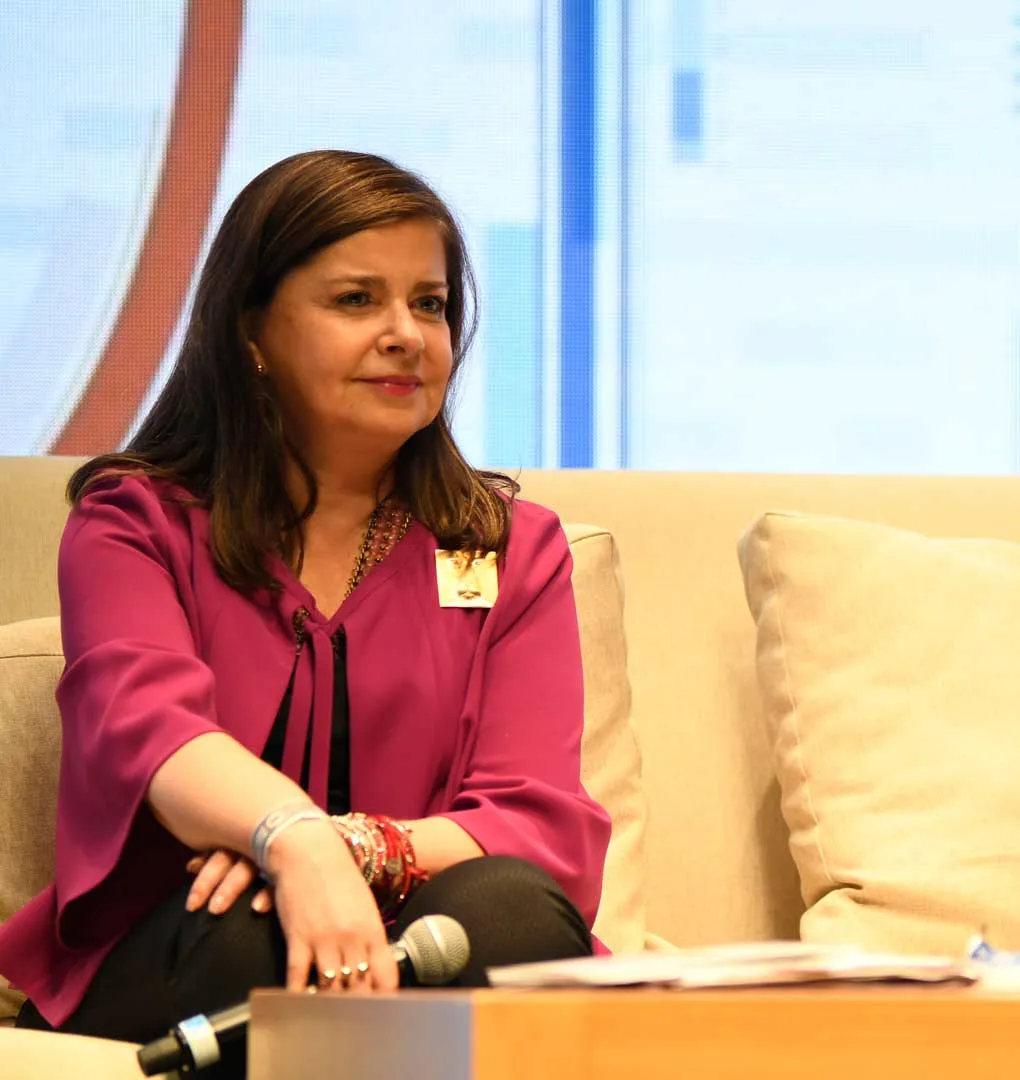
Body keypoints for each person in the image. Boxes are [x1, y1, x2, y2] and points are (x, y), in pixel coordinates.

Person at [0, 151, 610, 1061]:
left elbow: (536, 821)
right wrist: (286, 843)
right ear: (251, 330)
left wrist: (349, 850)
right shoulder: (133, 523)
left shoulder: (509, 547)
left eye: (430, 304)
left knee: (508, 911)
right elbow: (151, 733)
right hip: (196, 945)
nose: (406, 334)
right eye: (357, 300)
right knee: (256, 927)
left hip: (422, 942)